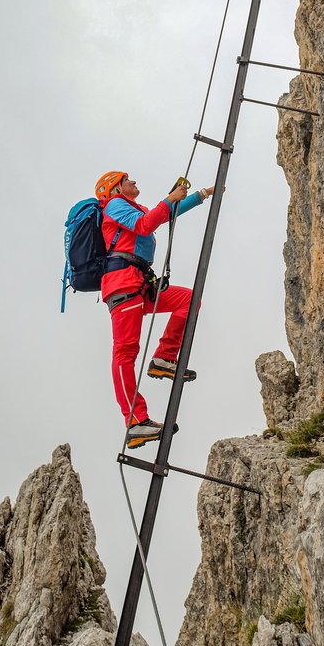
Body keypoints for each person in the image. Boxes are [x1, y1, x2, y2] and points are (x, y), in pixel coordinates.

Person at [95, 170, 216, 449]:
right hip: (124, 284)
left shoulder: (131, 207)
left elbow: (163, 215)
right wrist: (170, 198)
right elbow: (145, 225)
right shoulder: (114, 205)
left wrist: (202, 194)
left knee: (189, 300)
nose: (134, 181)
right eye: (127, 180)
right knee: (125, 353)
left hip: (139, 283)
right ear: (116, 189)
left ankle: (164, 358)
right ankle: (135, 421)